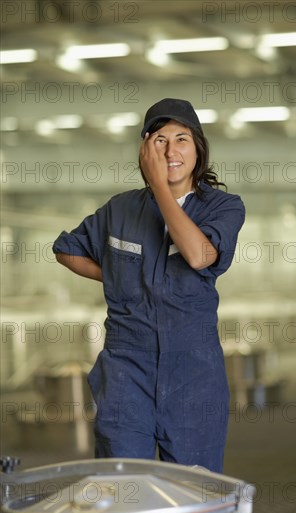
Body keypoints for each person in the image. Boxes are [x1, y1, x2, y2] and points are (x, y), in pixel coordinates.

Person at [53, 98, 245, 473]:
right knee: (124, 484)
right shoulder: (120, 209)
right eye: (160, 140)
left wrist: (159, 186)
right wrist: (120, 275)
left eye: (182, 139)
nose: (171, 150)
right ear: (144, 148)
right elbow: (66, 250)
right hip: (127, 367)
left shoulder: (224, 207)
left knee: (195, 488)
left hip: (193, 369)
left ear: (198, 148)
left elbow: (199, 256)